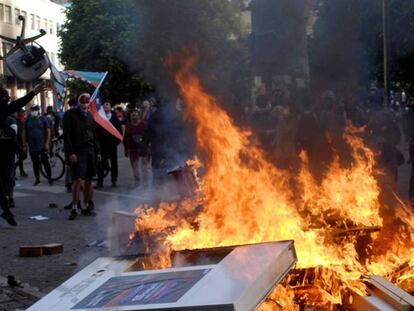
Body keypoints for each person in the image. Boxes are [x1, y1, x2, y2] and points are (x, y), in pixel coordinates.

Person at [0, 82, 46, 226]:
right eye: (4, 99)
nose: (6, 102)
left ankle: (6, 210)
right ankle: (6, 211)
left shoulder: (4, 112)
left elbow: (14, 106)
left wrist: (33, 93)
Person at [63, 93, 101, 220]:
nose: (84, 104)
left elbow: (94, 135)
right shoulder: (70, 115)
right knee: (77, 179)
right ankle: (74, 207)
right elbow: (67, 135)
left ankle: (86, 205)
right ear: (78, 102)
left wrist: (98, 152)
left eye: (86, 102)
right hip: (77, 151)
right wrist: (70, 153)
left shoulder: (90, 116)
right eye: (82, 102)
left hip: (90, 151)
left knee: (89, 179)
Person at [23, 105, 52, 185]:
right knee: (35, 164)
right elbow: (24, 132)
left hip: (42, 145)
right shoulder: (28, 120)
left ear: (38, 110)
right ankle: (37, 179)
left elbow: (48, 131)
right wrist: (24, 144)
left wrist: (46, 143)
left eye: (35, 110)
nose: (34, 111)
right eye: (32, 110)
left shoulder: (43, 119)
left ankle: (49, 179)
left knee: (45, 163)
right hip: (32, 146)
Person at [96, 101, 123, 188]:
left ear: (111, 107)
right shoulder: (100, 117)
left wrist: (116, 142)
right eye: (104, 105)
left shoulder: (114, 117)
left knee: (114, 163)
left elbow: (119, 130)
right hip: (102, 144)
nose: (105, 106)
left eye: (107, 105)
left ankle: (114, 180)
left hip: (112, 144)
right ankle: (100, 181)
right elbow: (96, 130)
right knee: (101, 163)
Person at [123, 109, 149, 186]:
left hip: (142, 149)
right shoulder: (128, 126)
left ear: (139, 115)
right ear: (130, 117)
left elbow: (147, 137)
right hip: (132, 149)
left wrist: (148, 147)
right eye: (132, 115)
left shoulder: (143, 125)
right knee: (135, 167)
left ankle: (145, 183)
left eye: (136, 114)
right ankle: (137, 182)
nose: (134, 116)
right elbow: (125, 138)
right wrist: (126, 149)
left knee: (144, 166)